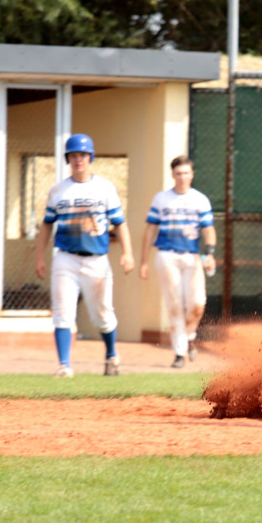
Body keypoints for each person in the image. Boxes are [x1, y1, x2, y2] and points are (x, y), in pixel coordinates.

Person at [34, 133, 134, 378]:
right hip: (65, 258)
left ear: (91, 157)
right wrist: (40, 257)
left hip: (96, 259)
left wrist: (128, 253)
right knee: (62, 312)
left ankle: (111, 355)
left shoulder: (104, 187)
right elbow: (47, 224)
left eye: (82, 155)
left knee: (102, 314)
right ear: (68, 158)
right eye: (73, 155)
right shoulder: (58, 190)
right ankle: (64, 365)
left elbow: (119, 223)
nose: (78, 159)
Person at [139, 155, 216, 368]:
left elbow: (208, 229)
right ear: (173, 175)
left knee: (197, 304)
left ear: (192, 175)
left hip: (191, 256)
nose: (182, 177)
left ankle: (190, 337)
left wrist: (209, 252)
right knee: (174, 304)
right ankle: (179, 353)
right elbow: (150, 230)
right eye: (178, 173)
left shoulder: (200, 199)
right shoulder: (162, 199)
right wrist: (144, 262)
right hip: (167, 255)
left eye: (186, 173)